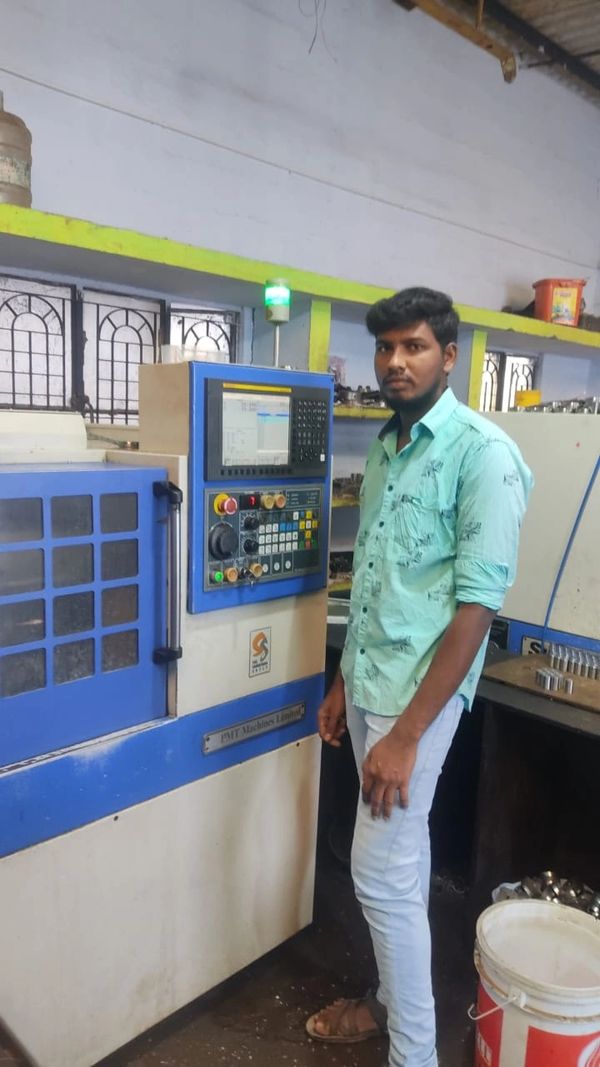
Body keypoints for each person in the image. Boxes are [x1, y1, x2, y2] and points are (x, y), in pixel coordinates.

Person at [306, 288, 533, 1067]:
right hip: (369, 685)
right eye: (385, 348)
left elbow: (475, 609)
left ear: (449, 354)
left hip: (418, 705)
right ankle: (384, 1001)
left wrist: (406, 733)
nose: (396, 362)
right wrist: (341, 680)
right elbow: (372, 578)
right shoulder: (387, 445)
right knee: (400, 867)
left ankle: (415, 1052)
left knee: (379, 871)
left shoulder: (483, 454)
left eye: (414, 347)